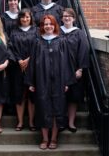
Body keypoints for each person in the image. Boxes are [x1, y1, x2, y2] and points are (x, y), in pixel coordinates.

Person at [25, 14, 75, 150]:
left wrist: (66, 82)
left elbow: (67, 63)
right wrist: (31, 82)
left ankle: (53, 139)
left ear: (55, 25)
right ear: (42, 26)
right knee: (42, 109)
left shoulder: (62, 41)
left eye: (50, 24)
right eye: (45, 24)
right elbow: (32, 64)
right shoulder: (37, 42)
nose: (48, 26)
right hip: (41, 81)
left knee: (56, 109)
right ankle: (44, 138)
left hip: (58, 82)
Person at [60, 8, 89, 133]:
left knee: (73, 97)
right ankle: (61, 122)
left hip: (74, 70)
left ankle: (71, 123)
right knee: (60, 97)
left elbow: (84, 51)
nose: (67, 18)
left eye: (69, 16)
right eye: (65, 16)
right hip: (59, 70)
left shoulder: (79, 33)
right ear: (61, 18)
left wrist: (80, 69)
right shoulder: (57, 32)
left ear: (74, 18)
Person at [9, 8, 37, 132]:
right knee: (19, 94)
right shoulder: (14, 32)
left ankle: (31, 122)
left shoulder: (36, 31)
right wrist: (19, 59)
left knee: (32, 95)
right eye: (23, 17)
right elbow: (10, 48)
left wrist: (29, 59)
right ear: (19, 18)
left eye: (27, 17)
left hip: (32, 67)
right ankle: (20, 122)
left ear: (31, 18)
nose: (25, 19)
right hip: (17, 67)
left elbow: (39, 47)